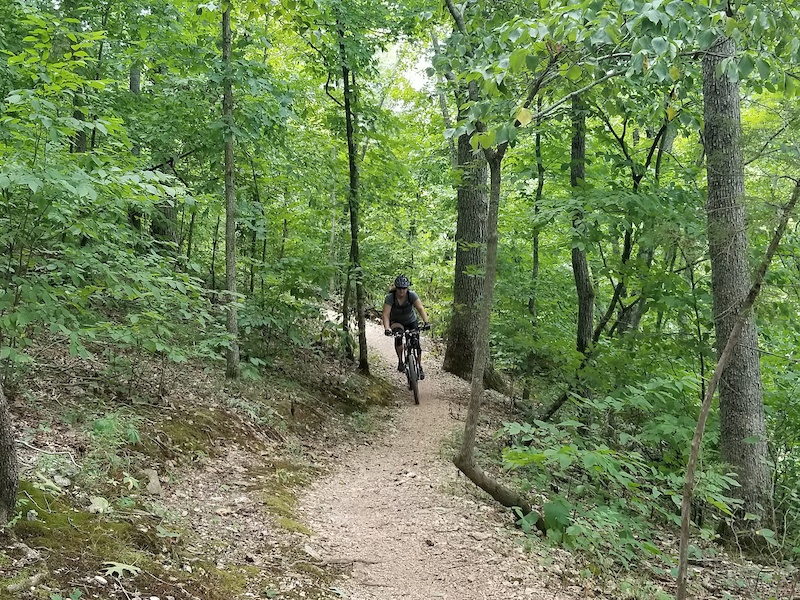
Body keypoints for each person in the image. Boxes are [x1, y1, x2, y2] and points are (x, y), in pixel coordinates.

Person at [382, 275, 431, 379]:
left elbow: (420, 308)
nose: (402, 291)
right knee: (398, 337)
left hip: (411, 321)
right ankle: (400, 361)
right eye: (399, 288)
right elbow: (386, 314)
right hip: (397, 321)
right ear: (396, 288)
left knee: (416, 343)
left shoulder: (411, 295)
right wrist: (387, 328)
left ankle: (419, 366)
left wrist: (426, 322)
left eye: (404, 288)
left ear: (407, 288)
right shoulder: (390, 297)